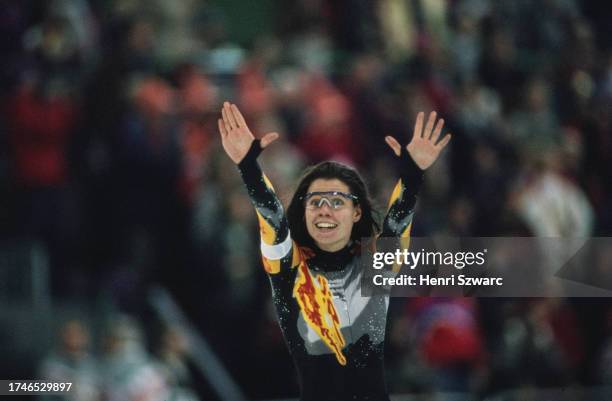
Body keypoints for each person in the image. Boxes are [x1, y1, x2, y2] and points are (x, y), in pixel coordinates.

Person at [218, 102, 451, 401]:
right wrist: (248, 168)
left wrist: (413, 174)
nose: (325, 210)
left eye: (337, 201)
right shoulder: (288, 269)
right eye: (315, 202)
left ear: (356, 213)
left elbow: (397, 223)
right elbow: (273, 221)